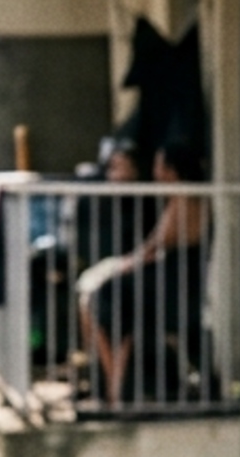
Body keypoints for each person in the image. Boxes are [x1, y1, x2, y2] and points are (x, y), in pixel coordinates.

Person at [74, 137, 213, 408]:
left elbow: (153, 247)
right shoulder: (182, 199)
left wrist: (120, 265)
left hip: (176, 292)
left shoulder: (186, 202)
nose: (155, 172)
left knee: (107, 298)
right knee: (107, 298)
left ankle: (114, 388)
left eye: (160, 166)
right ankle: (111, 383)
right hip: (169, 285)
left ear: (172, 170)